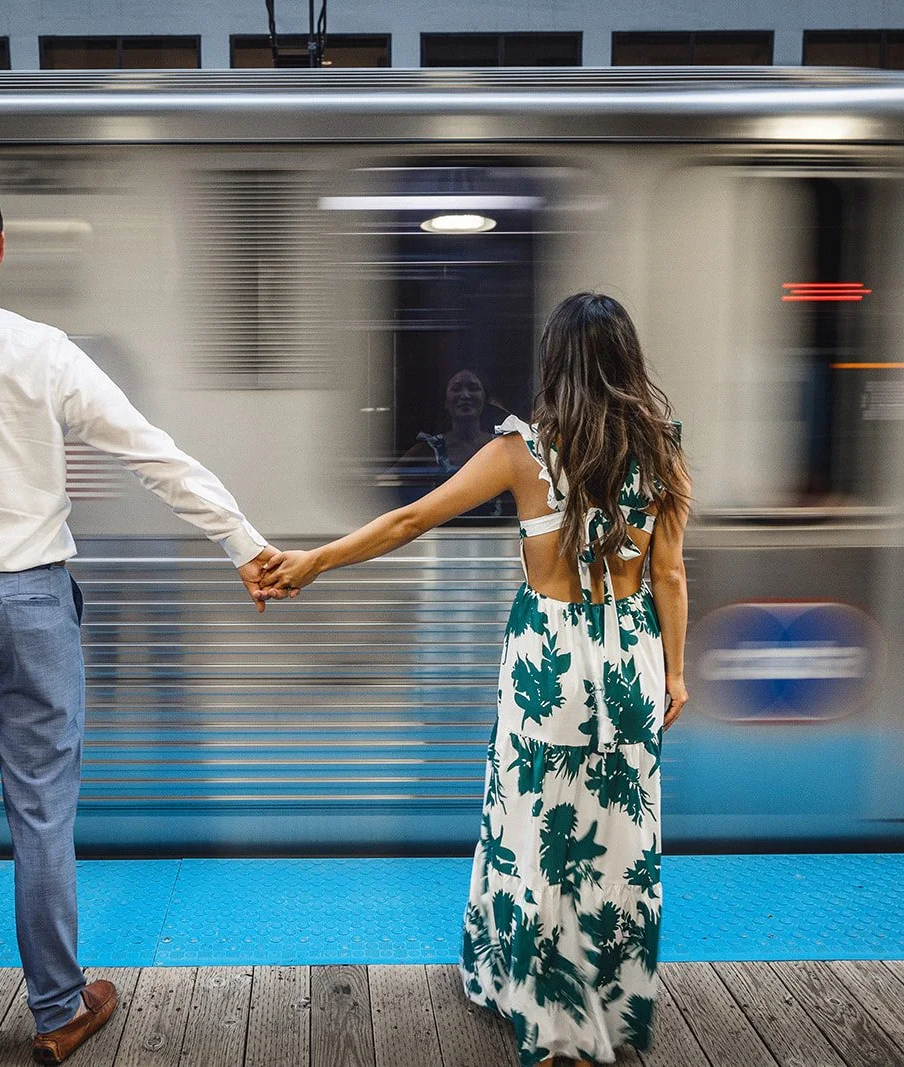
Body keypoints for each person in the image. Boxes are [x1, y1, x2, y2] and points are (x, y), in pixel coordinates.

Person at [0, 171, 289, 1065]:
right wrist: (244, 543)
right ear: (1, 249)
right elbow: (149, 452)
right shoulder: (41, 351)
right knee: (40, 814)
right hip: (29, 602)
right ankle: (54, 1008)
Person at [259, 292, 689, 1067]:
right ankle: (607, 1010)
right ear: (629, 361)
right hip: (631, 657)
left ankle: (544, 1015)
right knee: (617, 840)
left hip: (547, 663)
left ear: (553, 364)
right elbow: (671, 573)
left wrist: (312, 562)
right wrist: (678, 672)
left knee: (535, 833)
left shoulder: (522, 452)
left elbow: (408, 520)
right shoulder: (662, 448)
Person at [393, 368, 513, 518]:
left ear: (485, 399)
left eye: (473, 388)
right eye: (456, 389)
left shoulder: (502, 445)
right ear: (445, 401)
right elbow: (386, 482)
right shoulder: (429, 448)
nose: (465, 395)